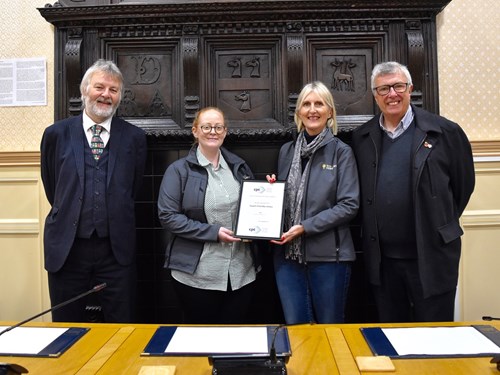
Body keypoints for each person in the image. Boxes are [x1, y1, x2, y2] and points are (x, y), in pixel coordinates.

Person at [352, 61, 475, 322]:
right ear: (375, 95)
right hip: (383, 264)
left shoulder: (445, 132)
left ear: (411, 89)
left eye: (398, 86)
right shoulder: (363, 138)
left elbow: (463, 186)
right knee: (391, 337)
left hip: (431, 256)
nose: (392, 94)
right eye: (383, 89)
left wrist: (437, 219)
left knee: (434, 338)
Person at [40, 59, 147, 322]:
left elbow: (133, 188)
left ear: (120, 96)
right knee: (66, 327)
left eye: (113, 90)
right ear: (85, 90)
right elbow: (52, 186)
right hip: (67, 248)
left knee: (122, 327)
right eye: (100, 87)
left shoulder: (134, 138)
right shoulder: (56, 134)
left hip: (116, 250)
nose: (106, 95)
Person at [267, 81, 360, 324]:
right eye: (306, 104)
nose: (312, 110)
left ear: (330, 111)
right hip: (288, 258)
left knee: (330, 332)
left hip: (330, 258)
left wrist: (305, 227)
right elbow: (288, 198)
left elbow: (349, 205)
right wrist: (271, 191)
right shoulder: (287, 151)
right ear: (298, 112)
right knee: (297, 331)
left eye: (319, 103)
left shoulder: (342, 152)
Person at [157, 107, 261, 324]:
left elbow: (255, 207)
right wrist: (213, 233)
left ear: (225, 131)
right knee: (202, 343)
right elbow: (168, 216)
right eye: (206, 127)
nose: (213, 131)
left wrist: (268, 193)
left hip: (241, 274)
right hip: (197, 277)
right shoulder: (178, 171)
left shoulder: (239, 168)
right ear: (195, 131)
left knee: (235, 340)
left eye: (218, 127)